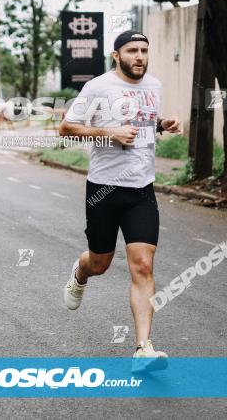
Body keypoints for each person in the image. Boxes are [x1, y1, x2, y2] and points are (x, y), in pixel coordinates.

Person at [59, 30, 181, 371]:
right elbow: (66, 128)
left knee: (143, 264)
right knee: (100, 262)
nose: (139, 56)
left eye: (144, 50)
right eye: (132, 50)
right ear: (117, 55)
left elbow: (141, 123)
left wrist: (161, 124)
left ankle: (144, 348)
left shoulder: (153, 86)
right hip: (104, 188)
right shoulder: (98, 87)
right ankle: (80, 273)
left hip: (142, 189)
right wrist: (108, 133)